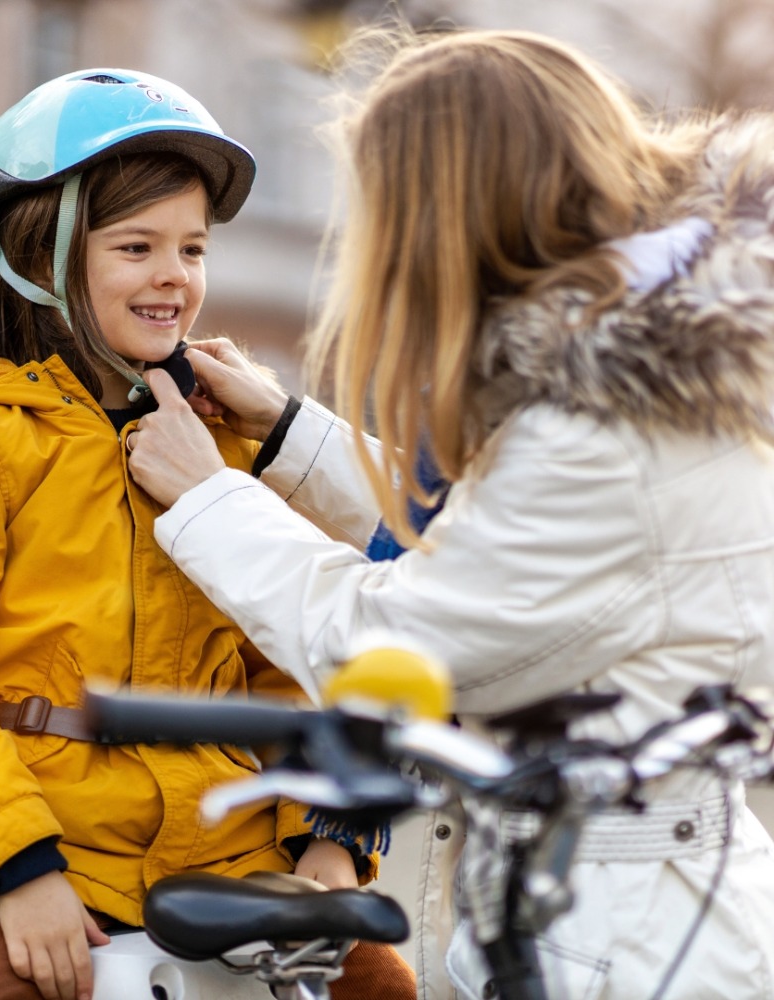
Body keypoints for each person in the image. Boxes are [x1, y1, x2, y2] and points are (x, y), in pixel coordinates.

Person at [123, 27, 774, 1000]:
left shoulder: (596, 436)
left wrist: (212, 498)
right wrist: (289, 436)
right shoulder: (632, 384)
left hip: (626, 939)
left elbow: (391, 643)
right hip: (634, 904)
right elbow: (497, 549)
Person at [0, 68, 416, 1000]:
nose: (174, 276)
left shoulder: (229, 445)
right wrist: (17, 867)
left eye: (193, 249)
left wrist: (330, 837)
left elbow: (301, 651)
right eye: (137, 246)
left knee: (386, 989)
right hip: (49, 846)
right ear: (44, 253)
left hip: (237, 846)